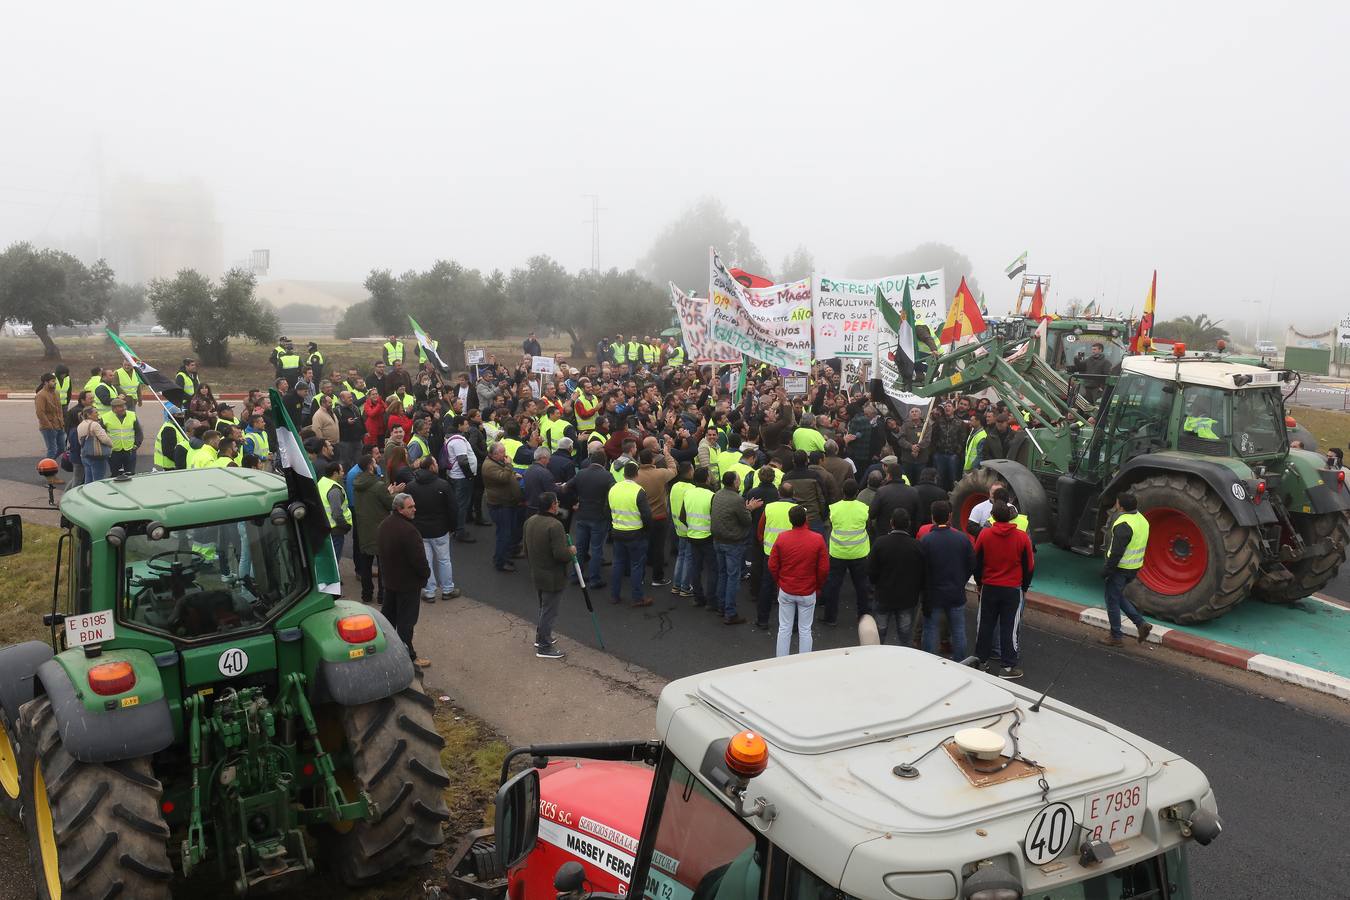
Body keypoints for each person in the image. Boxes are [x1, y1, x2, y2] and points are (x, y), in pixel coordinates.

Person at [973, 502, 1035, 679]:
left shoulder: (985, 534)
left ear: (992, 516)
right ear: (1011, 516)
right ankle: (1007, 667)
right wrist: (1024, 587)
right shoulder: (1022, 538)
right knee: (1009, 627)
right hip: (1012, 589)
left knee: (985, 624)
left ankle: (981, 662)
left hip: (989, 587)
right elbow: (1029, 566)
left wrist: (979, 582)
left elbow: (976, 560)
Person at [378, 492, 433, 668]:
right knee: (406, 623)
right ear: (400, 509)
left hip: (390, 581)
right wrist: (425, 574)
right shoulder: (409, 531)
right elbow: (419, 561)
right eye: (410, 507)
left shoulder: (384, 525)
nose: (414, 509)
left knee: (388, 619)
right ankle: (408, 657)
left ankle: (384, 650)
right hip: (407, 584)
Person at [768, 505, 829, 657]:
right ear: (806, 519)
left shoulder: (782, 538)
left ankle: (781, 661)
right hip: (808, 591)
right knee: (805, 629)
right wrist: (818, 586)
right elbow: (824, 569)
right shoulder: (817, 539)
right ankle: (804, 664)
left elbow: (772, 564)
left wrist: (779, 581)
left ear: (790, 520)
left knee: (784, 628)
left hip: (786, 589)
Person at [919, 500, 972, 660]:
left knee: (929, 629)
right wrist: (961, 580)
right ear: (950, 516)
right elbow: (971, 564)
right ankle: (960, 663)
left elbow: (922, 569)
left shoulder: (926, 540)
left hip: (934, 595)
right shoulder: (962, 539)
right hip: (956, 593)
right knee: (958, 630)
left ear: (932, 517)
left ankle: (929, 662)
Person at [523, 491, 573, 659]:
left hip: (537, 571)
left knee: (544, 608)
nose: (558, 504)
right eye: (557, 502)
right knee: (549, 611)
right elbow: (561, 554)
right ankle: (544, 646)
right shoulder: (555, 525)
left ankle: (541, 637)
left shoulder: (530, 521)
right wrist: (571, 551)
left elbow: (526, 549)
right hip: (553, 576)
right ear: (553, 505)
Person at [1100, 492, 1154, 647]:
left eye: (1117, 503)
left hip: (1120, 569)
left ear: (1120, 506)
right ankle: (1140, 624)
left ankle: (1116, 636)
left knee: (1112, 601)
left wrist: (1106, 571)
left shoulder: (1123, 524)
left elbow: (1117, 552)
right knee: (1116, 596)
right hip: (1134, 568)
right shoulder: (1142, 520)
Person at [407, 455, 461, 603]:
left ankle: (429, 592)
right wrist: (453, 527)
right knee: (444, 560)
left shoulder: (411, 486)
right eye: (436, 462)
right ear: (431, 467)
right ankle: (447, 589)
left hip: (420, 530)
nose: (438, 464)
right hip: (440, 530)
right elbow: (453, 508)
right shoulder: (442, 485)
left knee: (426, 561)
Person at [868, 508, 925, 645]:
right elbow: (922, 572)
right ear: (909, 524)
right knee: (904, 637)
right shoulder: (916, 546)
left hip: (883, 595)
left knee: (879, 636)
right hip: (907, 598)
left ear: (891, 523)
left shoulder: (880, 543)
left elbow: (871, 571)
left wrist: (876, 584)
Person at [821, 478, 872, 625]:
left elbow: (831, 524)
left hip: (838, 552)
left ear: (843, 491)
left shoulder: (834, 508)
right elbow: (867, 526)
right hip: (859, 553)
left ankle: (830, 617)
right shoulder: (864, 508)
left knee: (834, 586)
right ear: (857, 492)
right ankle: (864, 617)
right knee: (862, 586)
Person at [711, 471, 759, 625]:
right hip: (732, 542)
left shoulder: (718, 494)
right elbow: (746, 521)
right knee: (733, 577)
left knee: (722, 573)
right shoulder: (737, 499)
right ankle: (730, 612)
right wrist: (750, 508)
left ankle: (721, 606)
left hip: (718, 540)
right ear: (735, 483)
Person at [354, 452, 398, 605]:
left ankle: (366, 595)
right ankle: (382, 596)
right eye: (374, 462)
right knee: (383, 565)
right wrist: (392, 492)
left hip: (364, 528)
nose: (377, 464)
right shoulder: (378, 485)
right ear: (370, 466)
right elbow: (389, 504)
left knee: (365, 564)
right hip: (379, 528)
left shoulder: (357, 482)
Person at [608, 462, 653, 607]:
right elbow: (646, 515)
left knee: (617, 564)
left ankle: (614, 595)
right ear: (637, 474)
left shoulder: (614, 488)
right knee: (636, 566)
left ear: (624, 473)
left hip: (618, 531)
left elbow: (606, 510)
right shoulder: (638, 490)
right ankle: (637, 597)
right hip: (635, 534)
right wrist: (647, 530)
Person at [568, 449, 613, 588]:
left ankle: (576, 575)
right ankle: (594, 579)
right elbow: (614, 493)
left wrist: (575, 501)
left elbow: (566, 487)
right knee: (597, 549)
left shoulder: (581, 474)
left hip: (582, 515)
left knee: (580, 548)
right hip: (599, 517)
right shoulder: (607, 476)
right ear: (604, 462)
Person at [635, 446, 677, 587]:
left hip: (641, 518)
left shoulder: (635, 476)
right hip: (659, 517)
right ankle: (657, 578)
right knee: (659, 548)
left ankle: (639, 578)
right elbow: (673, 469)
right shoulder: (660, 473)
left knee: (641, 548)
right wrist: (667, 454)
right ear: (652, 460)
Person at [483, 441, 525, 572]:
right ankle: (500, 562)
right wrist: (509, 466)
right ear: (495, 454)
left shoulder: (495, 462)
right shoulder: (489, 466)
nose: (505, 454)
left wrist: (513, 475)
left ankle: (506, 555)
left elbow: (506, 475)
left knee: (508, 531)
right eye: (502, 452)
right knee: (504, 534)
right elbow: (503, 478)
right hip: (500, 505)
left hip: (507, 503)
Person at [318, 460, 352, 561]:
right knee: (334, 560)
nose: (343, 473)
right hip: (335, 530)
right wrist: (345, 525)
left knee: (327, 559)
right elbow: (337, 513)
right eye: (341, 471)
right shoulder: (335, 490)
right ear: (335, 473)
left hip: (325, 527)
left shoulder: (322, 483)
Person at [35, 373, 66, 477]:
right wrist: (49, 425)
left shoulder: (56, 393)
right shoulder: (41, 395)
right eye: (52, 381)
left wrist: (61, 421)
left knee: (62, 447)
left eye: (55, 381)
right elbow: (40, 413)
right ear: (45, 382)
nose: (55, 383)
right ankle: (49, 473)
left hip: (59, 426)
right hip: (48, 428)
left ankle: (47, 463)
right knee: (52, 449)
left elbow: (60, 409)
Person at [76, 406, 112, 483]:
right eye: (95, 412)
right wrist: (111, 445)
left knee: (88, 480)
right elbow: (104, 439)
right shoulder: (95, 425)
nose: (98, 414)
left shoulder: (80, 425)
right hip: (96, 456)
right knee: (98, 480)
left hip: (85, 455)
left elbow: (80, 441)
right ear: (89, 415)